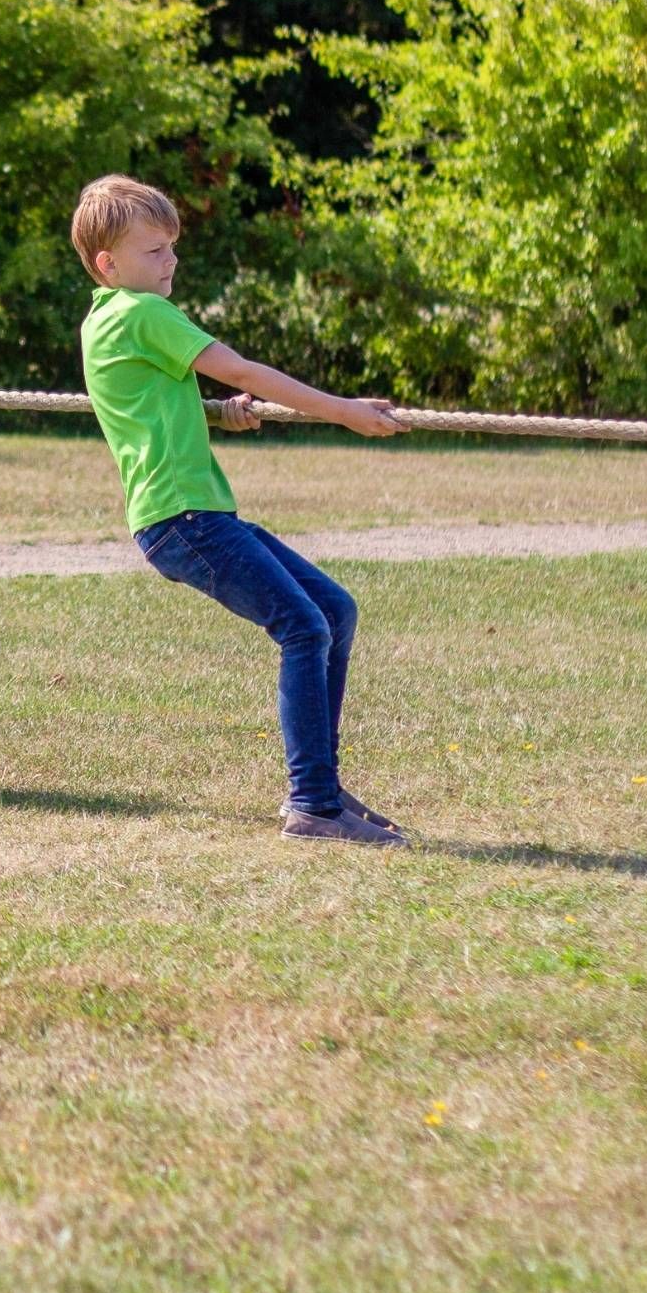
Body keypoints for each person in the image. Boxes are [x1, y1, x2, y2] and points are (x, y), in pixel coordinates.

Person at [72, 175, 408, 844]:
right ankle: (312, 804)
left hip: (191, 518)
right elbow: (245, 370)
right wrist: (344, 412)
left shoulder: (104, 320)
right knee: (304, 628)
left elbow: (149, 406)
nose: (170, 262)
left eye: (171, 247)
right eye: (153, 251)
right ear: (110, 264)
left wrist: (215, 416)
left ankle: (323, 783)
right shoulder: (143, 313)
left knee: (332, 611)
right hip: (186, 519)